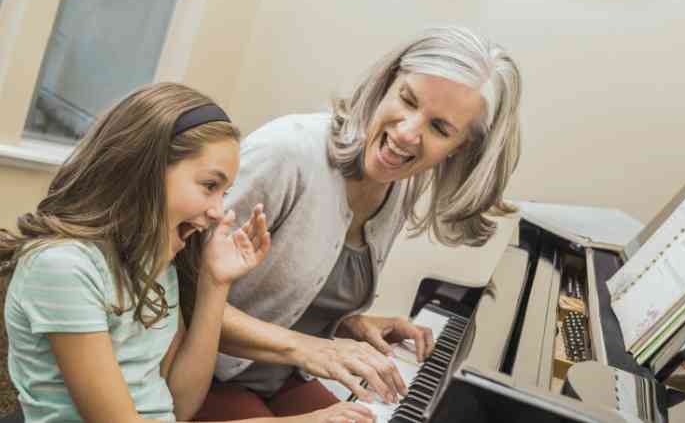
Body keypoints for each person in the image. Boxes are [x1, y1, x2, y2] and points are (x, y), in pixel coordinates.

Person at [176, 26, 522, 420]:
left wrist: (350, 324)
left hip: (279, 376)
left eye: (439, 128)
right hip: (200, 374)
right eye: (407, 100)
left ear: (460, 150)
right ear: (386, 84)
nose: (408, 133)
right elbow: (175, 294)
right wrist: (307, 348)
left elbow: (292, 295)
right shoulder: (287, 152)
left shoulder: (399, 184)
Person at [0, 83, 374, 423]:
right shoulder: (62, 268)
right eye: (209, 186)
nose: (217, 212)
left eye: (223, 193)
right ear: (144, 170)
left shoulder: (156, 263)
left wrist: (215, 283)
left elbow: (179, 405)